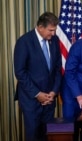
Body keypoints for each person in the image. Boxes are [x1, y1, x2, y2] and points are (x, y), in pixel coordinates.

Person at [13, 12, 62, 141]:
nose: (53, 33)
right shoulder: (24, 41)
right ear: (40, 27)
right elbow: (20, 72)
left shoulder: (55, 40)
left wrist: (53, 91)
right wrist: (37, 94)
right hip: (31, 100)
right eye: (50, 30)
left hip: (49, 99)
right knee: (33, 135)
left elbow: (57, 69)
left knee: (47, 135)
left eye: (54, 30)